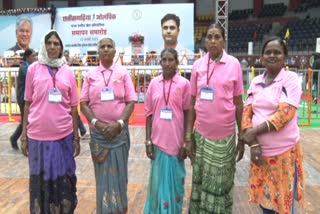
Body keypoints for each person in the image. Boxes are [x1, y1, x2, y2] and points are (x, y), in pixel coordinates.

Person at [184, 23, 244, 214]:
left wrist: (241, 137)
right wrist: (188, 138)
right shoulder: (197, 66)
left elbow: (239, 104)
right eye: (209, 37)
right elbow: (192, 103)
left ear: (223, 39)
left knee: (222, 181)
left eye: (217, 36)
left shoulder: (234, 64)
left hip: (225, 137)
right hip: (201, 135)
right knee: (201, 180)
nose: (212, 41)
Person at [241, 36, 305, 214]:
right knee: (265, 203)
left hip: (284, 154)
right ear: (262, 57)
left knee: (282, 206)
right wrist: (253, 144)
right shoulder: (255, 82)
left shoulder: (290, 79)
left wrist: (253, 131)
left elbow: (284, 114)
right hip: (260, 154)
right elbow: (247, 111)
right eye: (268, 52)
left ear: (285, 57)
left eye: (277, 52)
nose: (272, 55)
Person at [20, 30, 80, 213]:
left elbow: (74, 107)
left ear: (61, 47)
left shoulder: (68, 71)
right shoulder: (33, 70)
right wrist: (24, 135)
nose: (52, 47)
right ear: (43, 46)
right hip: (37, 137)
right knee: (41, 182)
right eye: (49, 43)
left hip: (63, 137)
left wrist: (76, 137)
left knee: (64, 181)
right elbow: (28, 103)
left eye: (56, 43)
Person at [80, 36, 136, 213]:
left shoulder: (123, 73)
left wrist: (119, 124)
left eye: (109, 46)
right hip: (99, 135)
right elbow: (83, 103)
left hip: (119, 134)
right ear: (98, 51)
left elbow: (131, 101)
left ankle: (120, 209)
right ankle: (103, 209)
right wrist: (96, 124)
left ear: (114, 51)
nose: (105, 49)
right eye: (102, 46)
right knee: (102, 177)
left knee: (119, 175)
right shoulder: (90, 75)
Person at [143, 48, 190, 213]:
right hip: (157, 143)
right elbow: (148, 113)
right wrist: (148, 141)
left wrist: (186, 141)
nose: (168, 63)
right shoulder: (154, 84)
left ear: (177, 62)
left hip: (176, 144)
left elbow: (188, 113)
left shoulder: (184, 84)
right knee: (157, 186)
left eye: (171, 60)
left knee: (175, 185)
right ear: (160, 62)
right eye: (164, 60)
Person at [9, 48, 37, 150]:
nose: (35, 57)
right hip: (23, 98)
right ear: (27, 57)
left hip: (28, 98)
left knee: (28, 120)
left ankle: (22, 140)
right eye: (33, 56)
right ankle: (15, 138)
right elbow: (32, 78)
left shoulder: (30, 66)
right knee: (26, 120)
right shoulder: (24, 67)